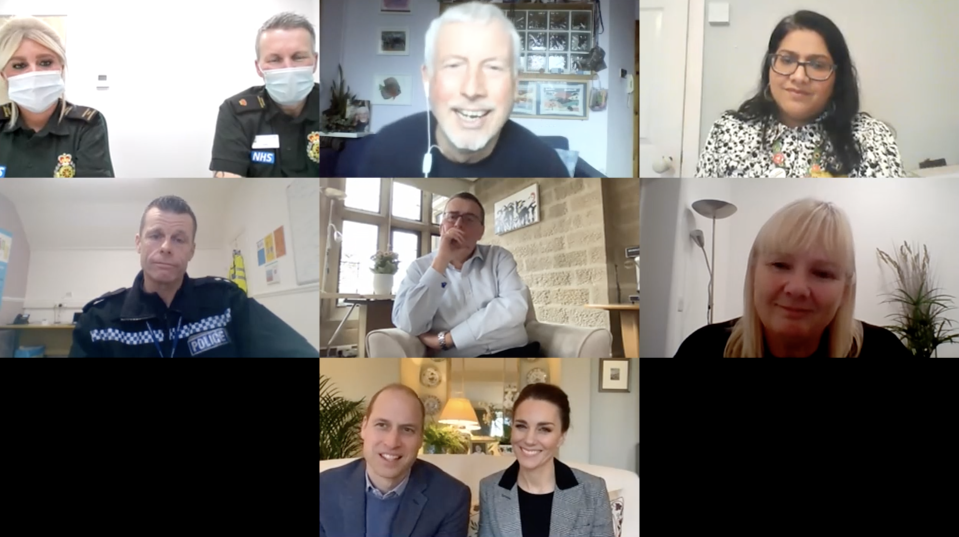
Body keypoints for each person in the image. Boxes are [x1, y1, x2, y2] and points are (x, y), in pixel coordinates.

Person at [69, 195, 318, 357]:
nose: (166, 247)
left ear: (191, 250)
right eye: (155, 235)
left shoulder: (227, 304)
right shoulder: (98, 322)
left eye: (179, 239)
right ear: (139, 243)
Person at [356, 1, 571, 178]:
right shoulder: (383, 150)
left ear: (516, 85)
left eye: (493, 67)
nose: (472, 89)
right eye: (454, 66)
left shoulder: (546, 168)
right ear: (427, 80)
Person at [674, 198, 912, 358]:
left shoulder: (884, 350)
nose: (797, 288)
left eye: (823, 273)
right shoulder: (702, 349)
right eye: (780, 265)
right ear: (753, 272)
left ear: (845, 290)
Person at [695, 10, 905, 178]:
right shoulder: (727, 133)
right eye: (787, 60)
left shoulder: (871, 138)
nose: (799, 76)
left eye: (817, 64)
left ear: (837, 76)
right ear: (770, 65)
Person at [391, 192, 539, 358]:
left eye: (469, 219)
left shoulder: (499, 257)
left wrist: (449, 339)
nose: (458, 224)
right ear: (441, 227)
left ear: (481, 231)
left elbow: (514, 307)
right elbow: (409, 324)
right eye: (452, 217)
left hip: (516, 352)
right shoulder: (418, 268)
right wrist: (441, 261)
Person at [319, 383, 471, 537]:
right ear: (364, 428)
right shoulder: (324, 488)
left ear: (420, 438)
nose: (392, 442)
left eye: (407, 429)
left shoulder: (452, 497)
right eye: (382, 425)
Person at [479, 383, 615, 537]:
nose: (529, 440)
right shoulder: (490, 488)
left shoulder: (593, 490)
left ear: (561, 437)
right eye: (521, 426)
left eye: (544, 429)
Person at [0, 17, 113, 178]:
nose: (34, 73)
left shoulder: (87, 124)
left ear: (60, 66)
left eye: (45, 62)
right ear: (3, 75)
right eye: (19, 65)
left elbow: (93, 195)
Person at [210, 12, 319, 178]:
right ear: (258, 67)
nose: (287, 68)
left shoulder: (334, 108)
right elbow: (228, 181)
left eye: (298, 57)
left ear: (315, 61)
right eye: (275, 60)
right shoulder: (235, 111)